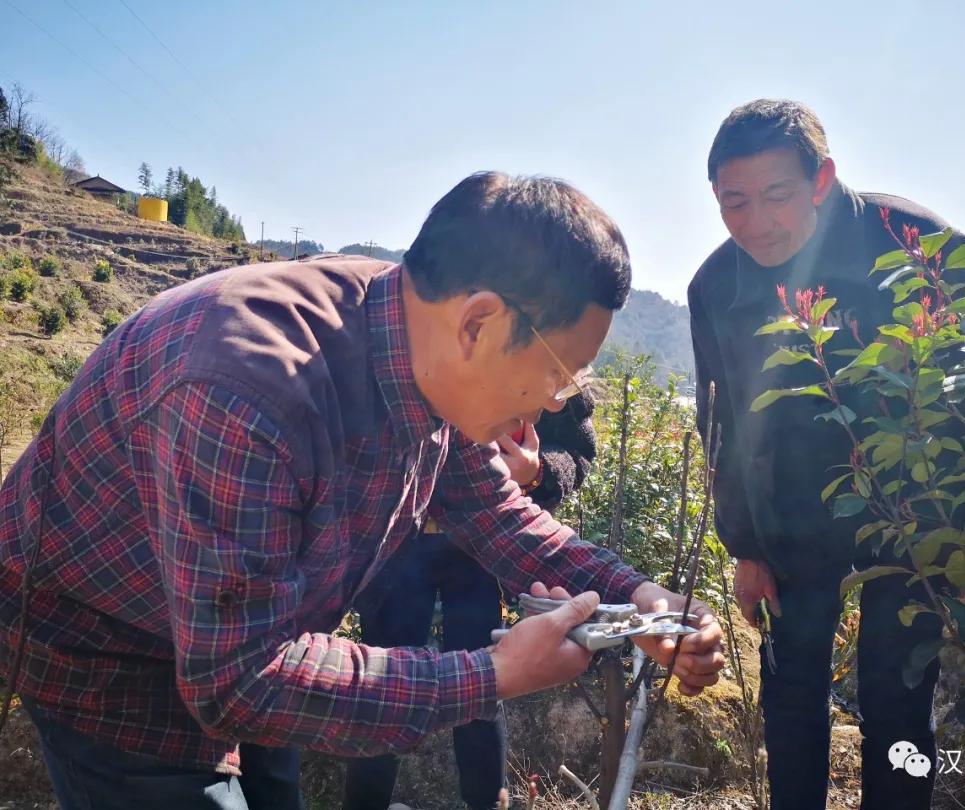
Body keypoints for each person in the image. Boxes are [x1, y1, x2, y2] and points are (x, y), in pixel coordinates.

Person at [0, 171, 726, 810]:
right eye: (559, 376)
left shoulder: (422, 347)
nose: (552, 406)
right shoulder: (247, 390)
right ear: (479, 323)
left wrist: (641, 599)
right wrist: (491, 675)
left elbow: (500, 517)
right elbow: (240, 682)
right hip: (110, 654)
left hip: (243, 628)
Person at [687, 100, 965, 810]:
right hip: (789, 519)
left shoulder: (917, 246)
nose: (756, 222)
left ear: (822, 179)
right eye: (733, 203)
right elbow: (725, 428)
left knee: (899, 701)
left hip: (910, 515)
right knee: (791, 695)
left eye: (777, 195)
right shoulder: (716, 287)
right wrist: (744, 546)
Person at [342, 395, 596, 810]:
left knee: (487, 681)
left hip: (481, 548)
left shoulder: (556, 363)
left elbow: (576, 448)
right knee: (376, 684)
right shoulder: (420, 346)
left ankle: (487, 802)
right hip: (395, 548)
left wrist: (537, 473)